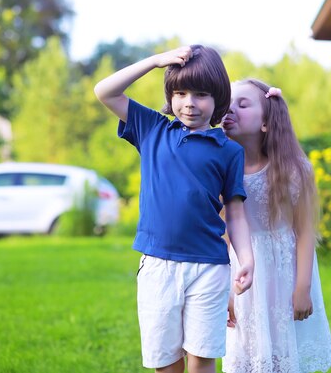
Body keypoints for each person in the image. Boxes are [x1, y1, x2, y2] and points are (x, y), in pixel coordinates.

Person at [94, 45, 254, 373]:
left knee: (201, 361)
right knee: (166, 363)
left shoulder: (229, 152)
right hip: (158, 268)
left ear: (217, 99)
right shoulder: (153, 129)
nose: (189, 103)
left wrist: (246, 258)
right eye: (180, 93)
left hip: (208, 269)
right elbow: (104, 91)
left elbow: (235, 213)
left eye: (200, 94)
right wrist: (155, 62)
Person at [221, 78, 331, 373]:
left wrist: (302, 288)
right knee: (246, 350)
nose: (230, 109)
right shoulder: (219, 168)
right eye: (228, 102)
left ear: (266, 123)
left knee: (282, 353)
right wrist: (226, 292)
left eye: (242, 104)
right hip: (243, 277)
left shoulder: (295, 169)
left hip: (283, 272)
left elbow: (305, 230)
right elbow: (223, 236)